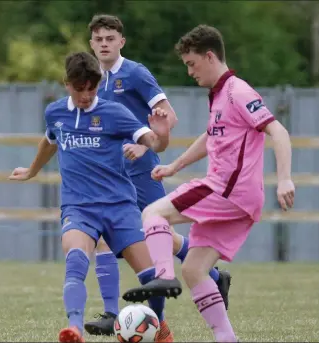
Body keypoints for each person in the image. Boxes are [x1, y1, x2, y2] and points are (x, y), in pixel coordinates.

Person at [122, 25, 295, 342]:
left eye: (192, 63)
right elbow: (210, 137)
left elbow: (278, 131)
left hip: (227, 190)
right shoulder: (218, 96)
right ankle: (226, 338)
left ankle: (162, 277)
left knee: (153, 214)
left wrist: (284, 178)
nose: (189, 71)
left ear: (210, 56)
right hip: (241, 200)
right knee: (193, 270)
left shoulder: (237, 91)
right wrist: (175, 164)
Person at [8, 51, 182, 343]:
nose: (86, 95)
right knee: (75, 258)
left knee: (152, 278)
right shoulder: (55, 113)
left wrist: (162, 136)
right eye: (80, 89)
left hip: (120, 206)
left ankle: (160, 326)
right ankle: (74, 328)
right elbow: (50, 140)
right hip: (79, 207)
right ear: (67, 83)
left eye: (92, 88)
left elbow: (153, 143)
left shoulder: (114, 113)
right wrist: (32, 170)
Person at [84, 14, 232, 338]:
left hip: (141, 171)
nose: (105, 44)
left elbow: (170, 118)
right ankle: (114, 313)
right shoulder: (94, 78)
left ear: (121, 42)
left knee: (155, 238)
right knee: (104, 236)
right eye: (99, 39)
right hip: (110, 175)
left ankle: (157, 320)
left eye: (111, 38)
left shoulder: (135, 73)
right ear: (91, 43)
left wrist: (143, 141)